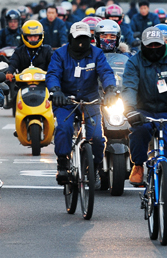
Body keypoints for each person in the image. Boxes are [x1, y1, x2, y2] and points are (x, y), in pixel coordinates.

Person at [123, 27, 167, 227]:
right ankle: (138, 165)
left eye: (158, 44)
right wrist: (130, 110)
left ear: (164, 44)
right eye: (150, 45)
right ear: (143, 46)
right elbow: (128, 87)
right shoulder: (134, 62)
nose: (154, 48)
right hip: (143, 112)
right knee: (138, 132)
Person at [46, 22, 117, 188]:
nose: (81, 42)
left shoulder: (97, 53)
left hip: (90, 101)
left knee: (98, 138)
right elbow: (53, 74)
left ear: (90, 39)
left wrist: (111, 89)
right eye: (78, 38)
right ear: (71, 38)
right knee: (64, 128)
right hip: (65, 101)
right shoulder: (60, 54)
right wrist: (56, 91)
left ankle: (97, 165)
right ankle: (62, 163)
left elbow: (106, 72)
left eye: (85, 38)